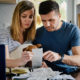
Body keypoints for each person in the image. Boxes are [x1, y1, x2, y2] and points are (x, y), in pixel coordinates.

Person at [33, 0, 80, 79]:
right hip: (47, 73)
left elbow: (79, 60)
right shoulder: (38, 32)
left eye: (51, 20)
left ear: (59, 16)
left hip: (70, 73)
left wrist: (59, 57)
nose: (47, 25)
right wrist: (39, 63)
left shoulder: (72, 30)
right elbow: (35, 59)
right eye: (43, 21)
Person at [0, 0, 36, 68]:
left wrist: (39, 63)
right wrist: (21, 61)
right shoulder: (4, 33)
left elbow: (29, 62)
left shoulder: (31, 36)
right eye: (24, 16)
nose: (27, 20)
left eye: (30, 17)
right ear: (17, 17)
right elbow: (4, 61)